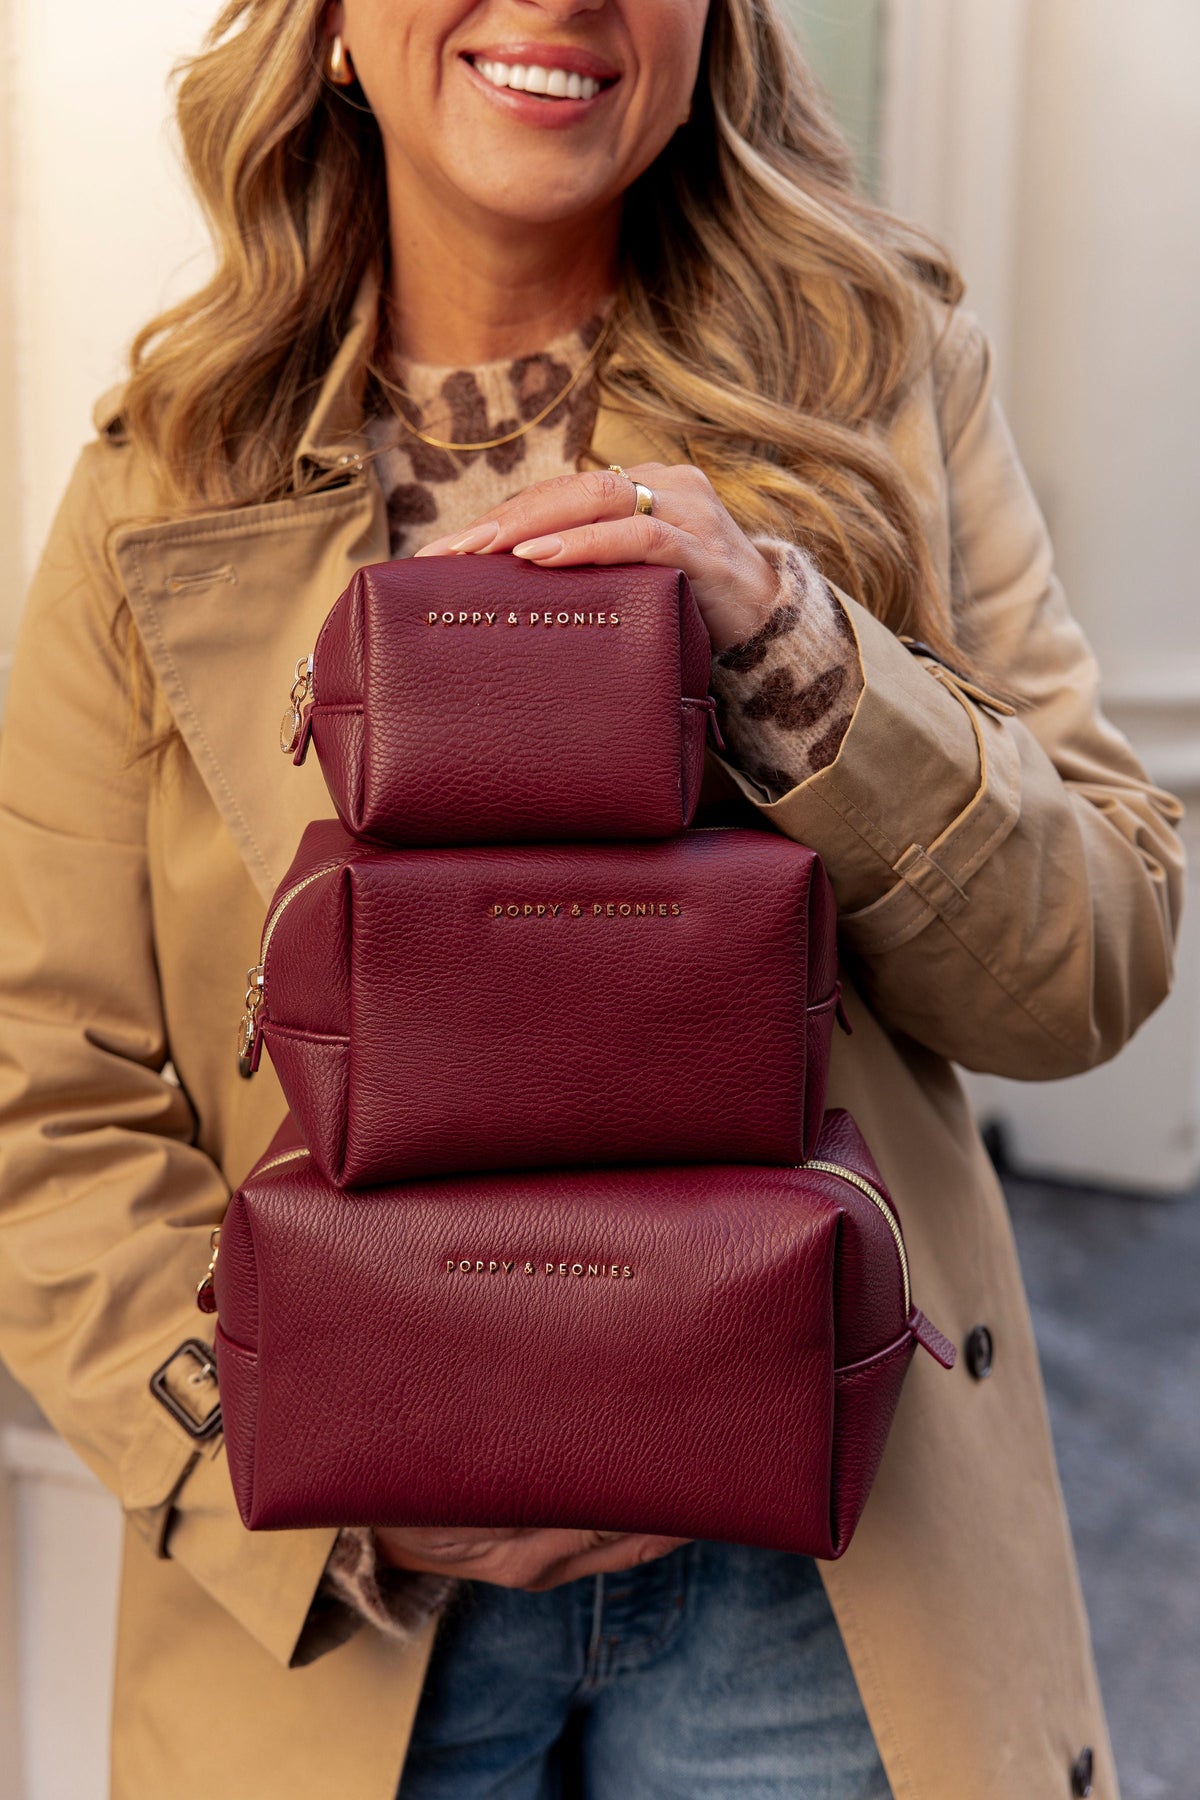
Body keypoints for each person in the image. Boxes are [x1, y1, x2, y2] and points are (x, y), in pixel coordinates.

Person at [0, 0, 1182, 1795]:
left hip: (823, 1555)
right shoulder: (157, 484)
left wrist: (794, 650)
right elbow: (44, 1099)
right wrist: (291, 1456)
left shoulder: (882, 382)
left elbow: (1091, 960)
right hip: (357, 1606)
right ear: (330, 34)